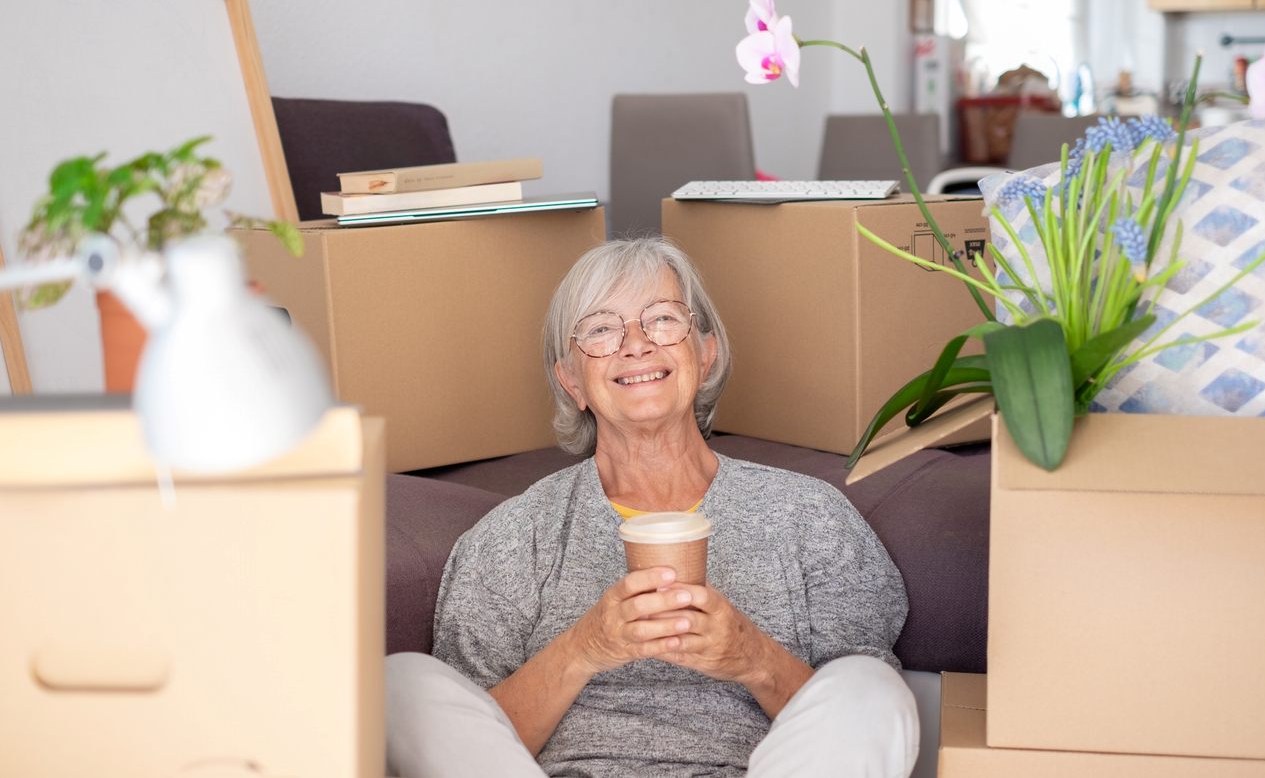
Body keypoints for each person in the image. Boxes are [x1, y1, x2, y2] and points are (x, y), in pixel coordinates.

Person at [385, 236, 917, 777]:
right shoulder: (515, 535)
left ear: (705, 354)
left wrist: (752, 656)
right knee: (401, 683)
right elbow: (470, 733)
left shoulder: (809, 516)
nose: (635, 344)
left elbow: (856, 720)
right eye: (600, 330)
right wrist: (583, 648)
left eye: (662, 319)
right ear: (571, 380)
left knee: (870, 685)